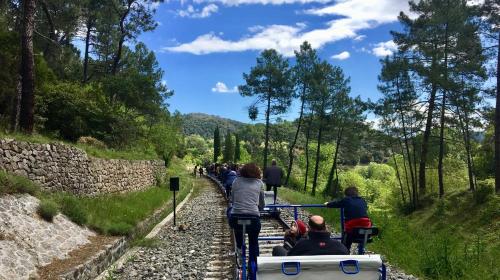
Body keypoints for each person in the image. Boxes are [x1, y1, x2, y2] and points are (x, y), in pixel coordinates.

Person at [229, 163, 265, 270]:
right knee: (253, 241)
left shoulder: (236, 181)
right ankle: (253, 265)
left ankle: (239, 249)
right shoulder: (260, 183)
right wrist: (259, 209)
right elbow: (262, 203)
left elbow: (233, 200)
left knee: (236, 225)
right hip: (253, 218)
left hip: (236, 218)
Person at [324, 186, 372, 251]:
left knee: (347, 237)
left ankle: (345, 251)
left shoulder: (347, 200)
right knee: (363, 227)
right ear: (357, 193)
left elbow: (337, 204)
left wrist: (328, 204)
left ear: (346, 194)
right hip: (365, 226)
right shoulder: (362, 200)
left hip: (352, 227)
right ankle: (360, 249)